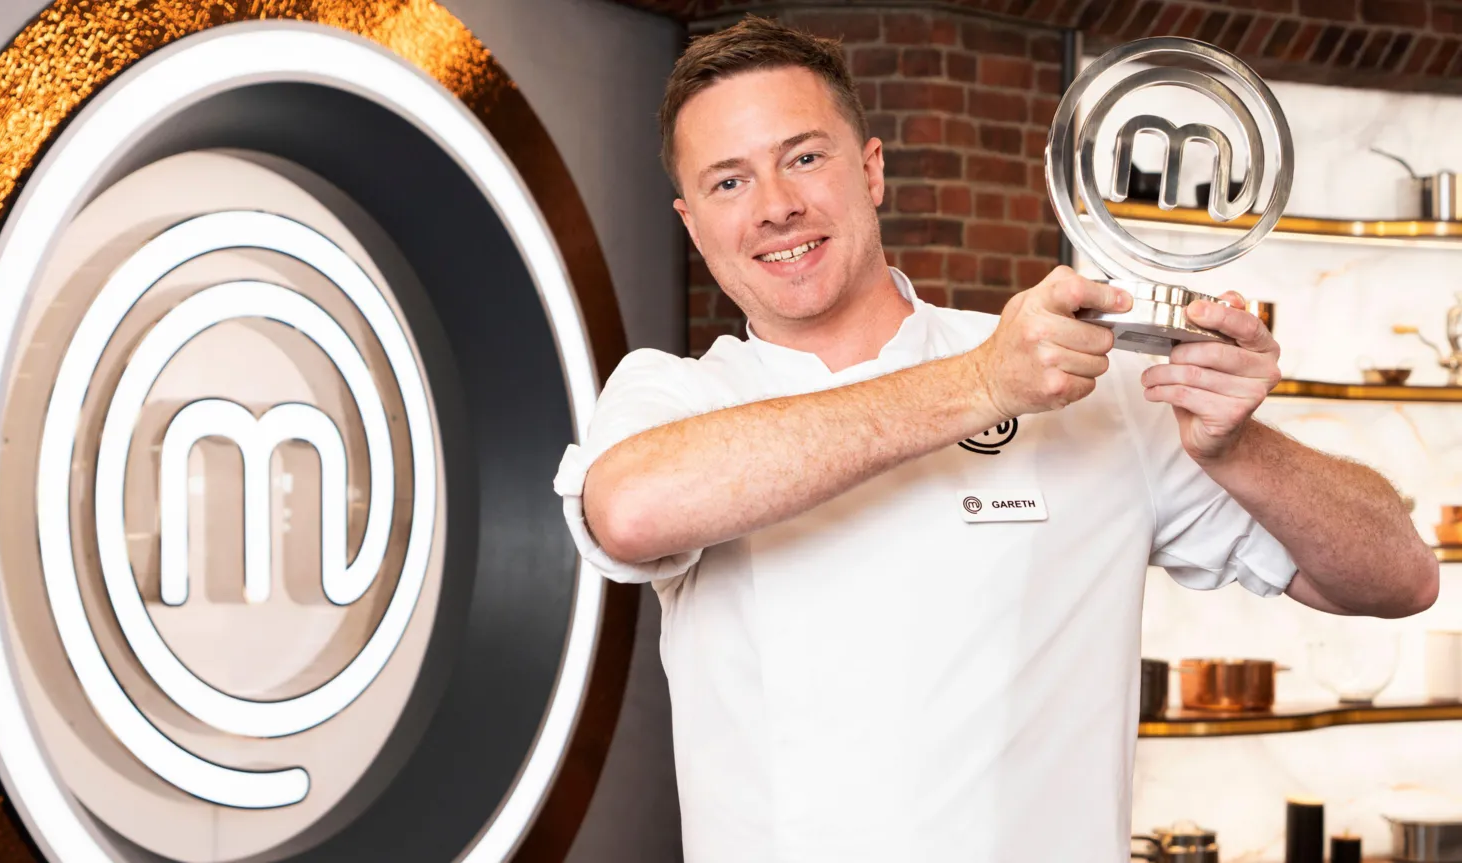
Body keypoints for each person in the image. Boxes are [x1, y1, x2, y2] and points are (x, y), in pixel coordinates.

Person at [553, 15, 1437, 863]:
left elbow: (1400, 577)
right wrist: (980, 385)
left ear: (872, 170)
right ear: (692, 222)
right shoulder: (678, 396)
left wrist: (1240, 450)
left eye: (805, 158)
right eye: (729, 182)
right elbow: (630, 511)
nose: (776, 207)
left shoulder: (1082, 383)